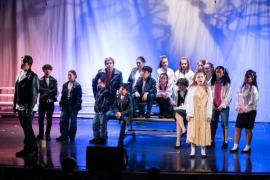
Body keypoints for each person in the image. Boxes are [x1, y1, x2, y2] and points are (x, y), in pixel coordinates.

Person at [13, 55, 39, 157]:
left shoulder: (33, 76)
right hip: (20, 106)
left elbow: (34, 94)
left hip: (29, 107)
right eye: (21, 61)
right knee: (25, 128)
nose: (21, 63)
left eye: (23, 62)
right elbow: (17, 92)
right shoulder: (20, 74)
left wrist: (30, 109)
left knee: (27, 127)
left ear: (29, 64)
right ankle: (28, 148)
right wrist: (15, 105)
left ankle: (32, 149)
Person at [230, 69, 258, 153]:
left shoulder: (253, 88)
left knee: (248, 130)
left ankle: (247, 147)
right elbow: (238, 98)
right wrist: (238, 107)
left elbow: (253, 102)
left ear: (252, 78)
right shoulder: (242, 87)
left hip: (250, 112)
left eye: (249, 77)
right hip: (241, 111)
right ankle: (235, 146)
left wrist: (244, 109)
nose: (247, 78)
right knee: (238, 128)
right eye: (246, 76)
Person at [186, 71, 213, 158]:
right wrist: (188, 113)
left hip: (204, 113)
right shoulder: (192, 88)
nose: (200, 79)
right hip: (194, 112)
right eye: (198, 77)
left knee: (203, 130)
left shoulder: (208, 89)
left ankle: (203, 150)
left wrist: (209, 114)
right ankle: (192, 149)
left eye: (201, 77)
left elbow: (210, 102)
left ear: (204, 77)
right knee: (193, 131)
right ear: (195, 78)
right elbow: (188, 102)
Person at [56, 70, 82, 142]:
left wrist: (76, 107)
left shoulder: (78, 85)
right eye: (68, 75)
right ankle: (63, 136)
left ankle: (72, 137)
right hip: (65, 105)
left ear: (75, 76)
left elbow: (79, 97)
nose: (69, 76)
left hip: (73, 106)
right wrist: (61, 104)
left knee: (73, 122)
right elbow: (62, 96)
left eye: (70, 75)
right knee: (63, 121)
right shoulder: (65, 84)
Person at [210, 66, 232, 149]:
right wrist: (213, 105)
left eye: (220, 72)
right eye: (217, 72)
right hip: (214, 106)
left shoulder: (227, 83)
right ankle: (211, 140)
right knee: (213, 123)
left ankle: (225, 142)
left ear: (223, 73)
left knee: (224, 124)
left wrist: (221, 106)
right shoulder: (213, 82)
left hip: (223, 107)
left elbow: (228, 96)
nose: (218, 73)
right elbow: (210, 95)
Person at [36, 64, 58, 141]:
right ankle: (41, 134)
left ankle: (47, 134)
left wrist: (45, 92)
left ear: (51, 70)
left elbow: (55, 92)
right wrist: (49, 92)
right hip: (42, 103)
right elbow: (39, 90)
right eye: (46, 69)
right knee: (40, 119)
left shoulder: (54, 80)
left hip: (50, 102)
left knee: (49, 119)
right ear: (43, 70)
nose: (47, 70)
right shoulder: (40, 80)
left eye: (49, 69)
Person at [89, 77, 110, 144]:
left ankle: (102, 138)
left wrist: (102, 109)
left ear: (103, 83)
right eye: (98, 83)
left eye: (99, 83)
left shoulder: (106, 91)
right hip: (97, 111)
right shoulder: (99, 91)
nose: (98, 84)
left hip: (102, 112)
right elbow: (97, 101)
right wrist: (96, 109)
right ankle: (96, 137)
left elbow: (106, 102)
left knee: (102, 125)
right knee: (95, 124)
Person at [171, 78, 189, 148]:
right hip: (177, 112)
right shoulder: (176, 92)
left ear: (185, 85)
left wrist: (177, 108)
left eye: (181, 85)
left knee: (177, 117)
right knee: (177, 113)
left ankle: (178, 141)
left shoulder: (188, 93)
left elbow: (186, 106)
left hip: (186, 111)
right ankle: (184, 129)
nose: (179, 86)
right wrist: (172, 103)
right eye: (178, 85)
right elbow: (174, 104)